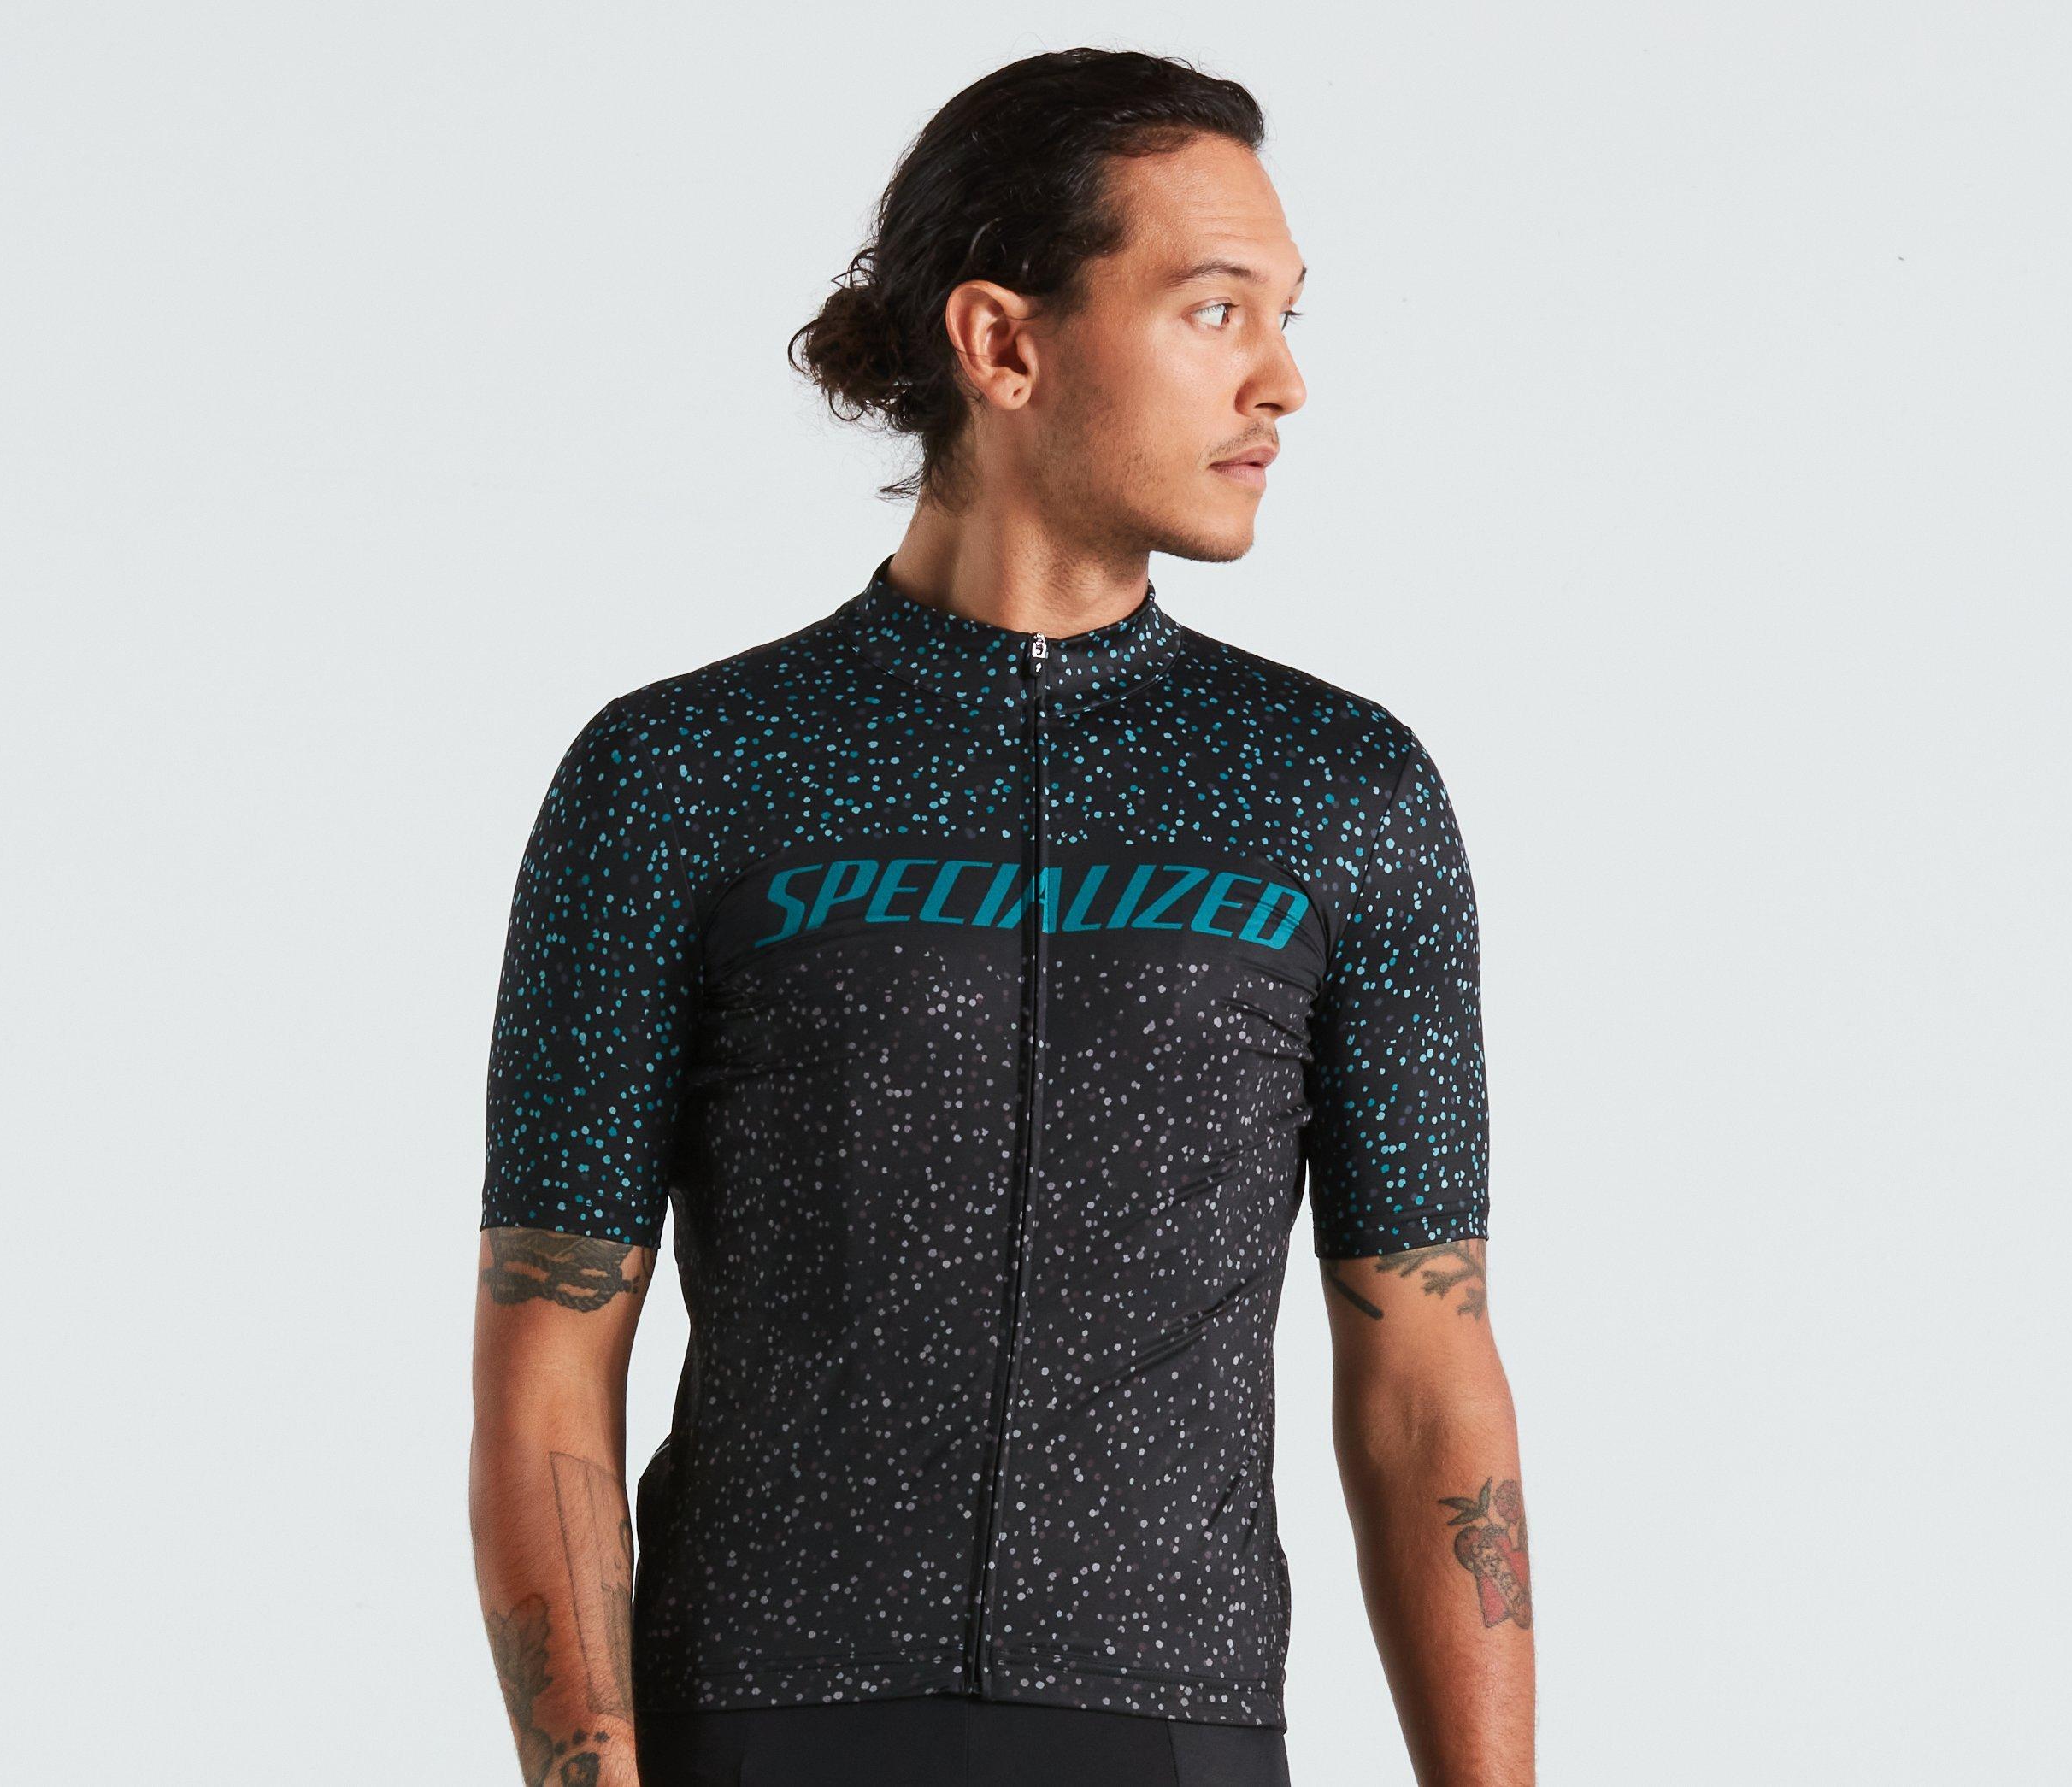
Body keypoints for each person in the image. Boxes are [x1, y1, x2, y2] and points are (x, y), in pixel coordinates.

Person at [467, 47, 1531, 1787]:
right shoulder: (680, 772)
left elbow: (1425, 1361)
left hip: (1174, 1724)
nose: (1281, 379)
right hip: (760, 1718)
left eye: (1285, 315)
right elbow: (545, 1360)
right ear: (1001, 342)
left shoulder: (1337, 786)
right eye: (1213, 309)